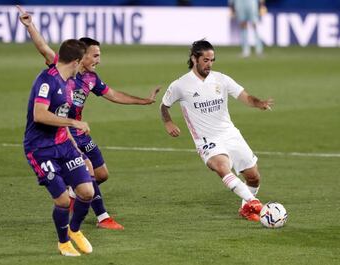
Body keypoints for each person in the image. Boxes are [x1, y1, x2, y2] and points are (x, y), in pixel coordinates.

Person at [17, 6, 161, 230]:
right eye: (95, 55)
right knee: (89, 171)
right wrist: (29, 26)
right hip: (64, 132)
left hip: (81, 132)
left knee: (102, 174)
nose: (98, 60)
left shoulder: (91, 79)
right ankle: (103, 217)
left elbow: (113, 94)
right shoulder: (61, 68)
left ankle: (74, 192)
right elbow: (43, 48)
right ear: (81, 57)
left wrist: (143, 101)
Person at [160, 40, 273, 221]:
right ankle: (254, 203)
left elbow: (244, 96)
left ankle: (246, 209)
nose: (209, 64)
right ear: (194, 59)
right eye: (205, 60)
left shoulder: (221, 79)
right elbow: (164, 106)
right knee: (222, 167)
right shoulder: (180, 85)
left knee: (253, 178)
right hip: (206, 139)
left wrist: (258, 103)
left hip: (230, 134)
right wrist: (168, 122)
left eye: (212, 60)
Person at [24, 38, 95, 256]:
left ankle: (74, 230)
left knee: (87, 191)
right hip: (40, 149)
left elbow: (43, 47)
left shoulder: (68, 80)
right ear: (75, 61)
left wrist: (79, 151)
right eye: (82, 62)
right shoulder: (48, 81)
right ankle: (63, 242)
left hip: (64, 145)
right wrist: (74, 123)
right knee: (63, 199)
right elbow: (39, 115)